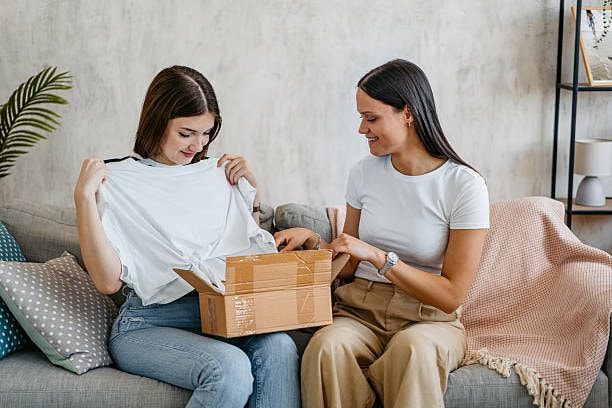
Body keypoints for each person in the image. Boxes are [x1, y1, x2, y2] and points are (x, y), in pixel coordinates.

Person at [74, 65, 300, 408]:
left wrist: (249, 200)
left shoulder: (216, 176)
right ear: (156, 122)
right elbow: (107, 282)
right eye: (186, 133)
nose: (199, 144)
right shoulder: (118, 181)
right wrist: (83, 199)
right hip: (146, 324)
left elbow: (242, 257)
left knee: (280, 346)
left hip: (220, 314)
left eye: (207, 133)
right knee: (229, 368)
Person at [274, 59, 490, 408]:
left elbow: (452, 294)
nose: (362, 129)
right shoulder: (363, 174)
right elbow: (346, 265)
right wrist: (314, 241)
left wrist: (380, 257)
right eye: (361, 117)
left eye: (371, 118)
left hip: (429, 318)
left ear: (407, 113)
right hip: (361, 310)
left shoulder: (464, 185)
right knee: (326, 347)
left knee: (414, 350)